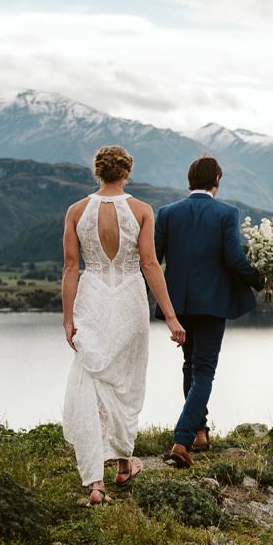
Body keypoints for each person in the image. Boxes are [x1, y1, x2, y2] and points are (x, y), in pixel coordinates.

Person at [61, 145, 186, 505]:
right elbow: (149, 265)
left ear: (96, 172)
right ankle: (121, 464)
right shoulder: (142, 211)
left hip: (93, 297)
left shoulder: (76, 212)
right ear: (126, 172)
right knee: (125, 383)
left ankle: (97, 483)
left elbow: (71, 268)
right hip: (130, 299)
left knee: (93, 382)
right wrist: (172, 317)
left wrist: (68, 317)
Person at [154, 155, 267, 467]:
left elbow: (155, 259)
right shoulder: (226, 213)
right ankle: (182, 439)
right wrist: (259, 278)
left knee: (190, 366)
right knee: (203, 371)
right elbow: (233, 258)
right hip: (213, 303)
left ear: (190, 179)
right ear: (216, 179)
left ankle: (200, 432)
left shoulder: (167, 213)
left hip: (178, 304)